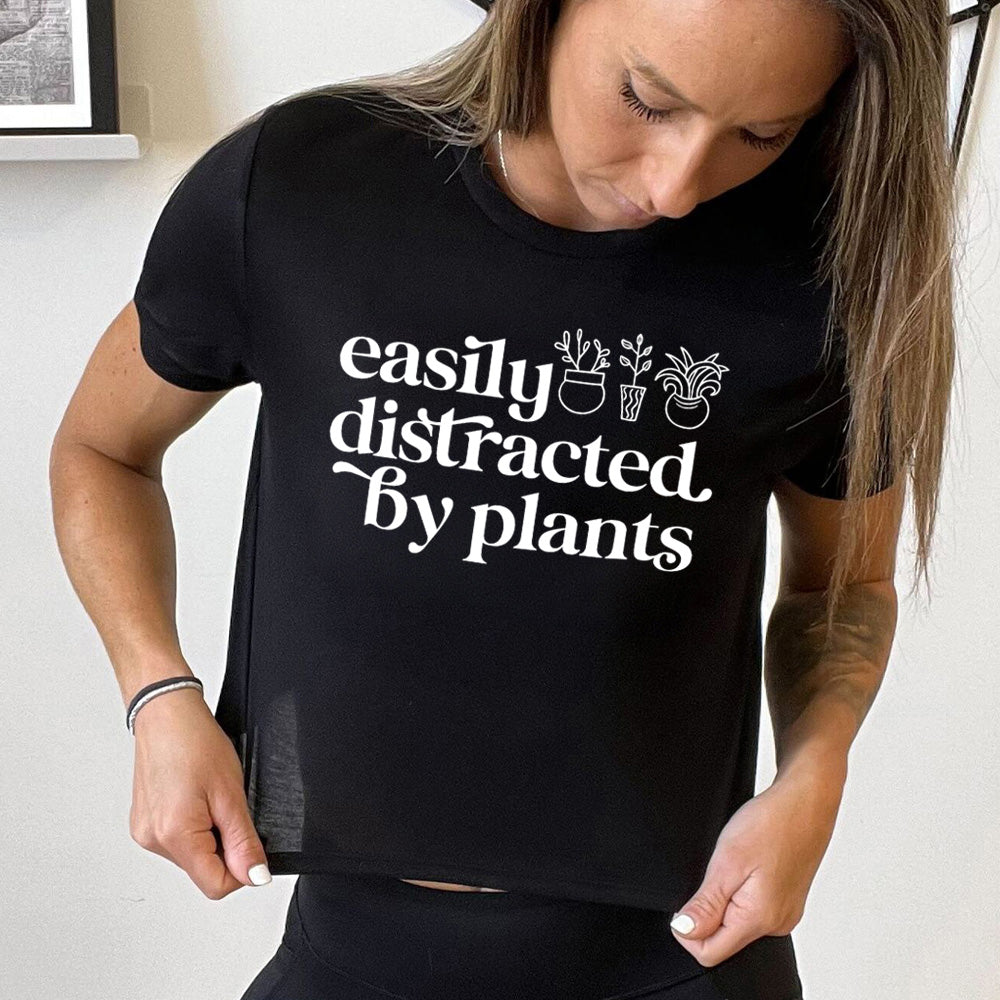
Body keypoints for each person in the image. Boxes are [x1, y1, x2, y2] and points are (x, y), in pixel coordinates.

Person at [49, 0, 957, 997]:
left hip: (683, 961)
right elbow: (103, 450)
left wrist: (814, 772)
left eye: (759, 133)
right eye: (645, 98)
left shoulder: (816, 272)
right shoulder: (306, 185)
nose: (677, 185)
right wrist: (156, 692)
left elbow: (845, 581)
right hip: (346, 958)